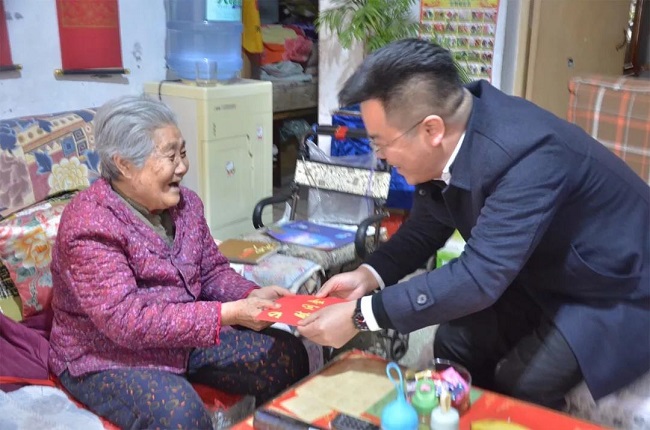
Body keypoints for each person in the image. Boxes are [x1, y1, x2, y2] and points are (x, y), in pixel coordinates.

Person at [297, 38, 649, 410]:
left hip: (613, 287)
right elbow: (427, 226)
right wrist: (369, 275)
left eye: (381, 143)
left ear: (431, 130)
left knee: (524, 382)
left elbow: (480, 278)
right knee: (453, 343)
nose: (379, 155)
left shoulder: (528, 155)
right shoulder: (457, 135)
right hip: (541, 271)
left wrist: (363, 315)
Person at [48, 95, 309, 429]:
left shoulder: (187, 206)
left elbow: (211, 271)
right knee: (181, 415)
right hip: (106, 356)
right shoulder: (90, 223)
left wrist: (248, 295)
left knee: (286, 354)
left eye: (182, 153)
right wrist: (226, 314)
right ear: (124, 164)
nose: (183, 167)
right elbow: (126, 320)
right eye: (170, 156)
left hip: (181, 340)